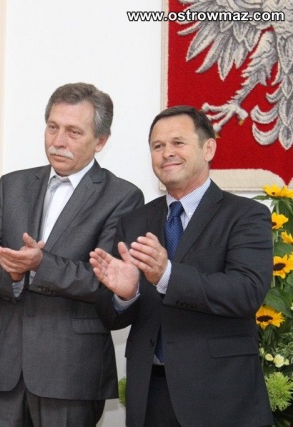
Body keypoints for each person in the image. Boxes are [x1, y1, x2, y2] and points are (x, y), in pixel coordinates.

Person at [0, 82, 144, 426]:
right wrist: (13, 274)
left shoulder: (122, 197)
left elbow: (105, 279)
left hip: (71, 371)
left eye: (73, 132)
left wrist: (40, 265)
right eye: (52, 127)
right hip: (3, 366)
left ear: (101, 141)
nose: (58, 141)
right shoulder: (12, 185)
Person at [90, 105, 273, 426]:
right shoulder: (135, 221)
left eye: (178, 143)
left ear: (208, 148)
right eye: (157, 146)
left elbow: (246, 293)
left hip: (220, 395)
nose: (167, 153)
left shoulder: (246, 215)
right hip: (150, 394)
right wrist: (125, 296)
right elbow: (110, 315)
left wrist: (167, 275)